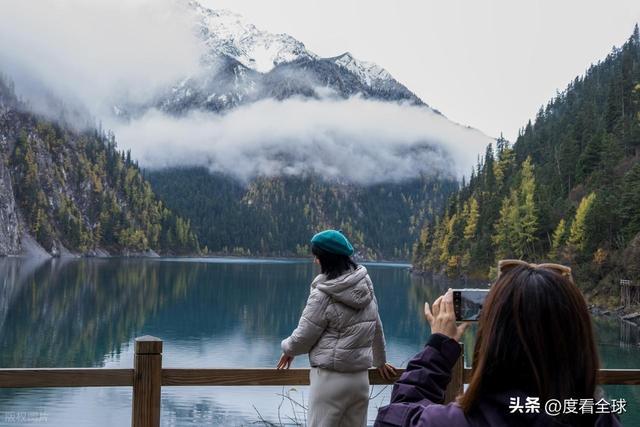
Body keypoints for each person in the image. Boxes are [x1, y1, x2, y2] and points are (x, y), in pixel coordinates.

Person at [375, 259, 622, 427]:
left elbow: (397, 415)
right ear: (578, 341)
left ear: (493, 338)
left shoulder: (452, 421)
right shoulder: (599, 418)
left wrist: (438, 347)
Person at [277, 229, 397, 427]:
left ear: (327, 259)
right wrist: (380, 361)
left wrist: (287, 348)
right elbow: (376, 327)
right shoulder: (365, 286)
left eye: (317, 256)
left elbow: (303, 339)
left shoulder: (322, 295)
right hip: (360, 382)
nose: (315, 261)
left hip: (330, 381)